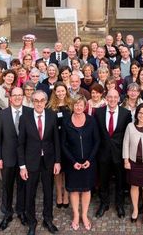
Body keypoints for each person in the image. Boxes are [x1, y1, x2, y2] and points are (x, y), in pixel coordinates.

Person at [17, 90, 61, 235]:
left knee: (49, 192)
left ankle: (48, 219)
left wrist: (57, 161)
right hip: (31, 162)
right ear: (32, 101)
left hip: (48, 161)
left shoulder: (52, 116)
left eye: (42, 100)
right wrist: (22, 166)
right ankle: (32, 222)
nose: (39, 103)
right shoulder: (25, 118)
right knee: (30, 193)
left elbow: (56, 140)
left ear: (46, 102)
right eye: (36, 100)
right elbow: (21, 143)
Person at [61, 95, 100, 230]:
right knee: (74, 190)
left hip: (89, 162)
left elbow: (97, 141)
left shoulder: (91, 120)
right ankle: (76, 215)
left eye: (81, 105)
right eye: (76, 105)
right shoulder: (66, 122)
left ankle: (84, 214)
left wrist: (89, 160)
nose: (78, 107)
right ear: (72, 106)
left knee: (86, 189)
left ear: (85, 107)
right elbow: (63, 144)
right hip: (72, 163)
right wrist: (73, 161)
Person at [0, 87, 29, 231]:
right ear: (10, 98)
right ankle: (7, 213)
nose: (17, 98)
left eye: (19, 95)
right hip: (7, 157)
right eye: (14, 95)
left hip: (25, 159)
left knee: (23, 187)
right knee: (7, 187)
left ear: (23, 97)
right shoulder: (2, 114)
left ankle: (21, 211)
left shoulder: (29, 112)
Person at [94, 89, 131, 218]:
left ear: (119, 99)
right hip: (102, 153)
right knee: (103, 180)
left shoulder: (126, 114)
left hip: (119, 154)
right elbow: (96, 133)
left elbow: (127, 135)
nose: (113, 99)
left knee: (120, 181)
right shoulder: (98, 112)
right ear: (106, 98)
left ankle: (119, 204)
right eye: (110, 97)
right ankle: (104, 204)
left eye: (115, 97)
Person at [47, 82, 71, 209]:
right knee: (57, 170)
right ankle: (59, 195)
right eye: (58, 91)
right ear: (55, 92)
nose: (61, 93)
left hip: (68, 142)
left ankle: (66, 195)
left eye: (63, 91)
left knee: (66, 170)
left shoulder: (71, 105)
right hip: (54, 141)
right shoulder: (50, 107)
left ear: (66, 91)